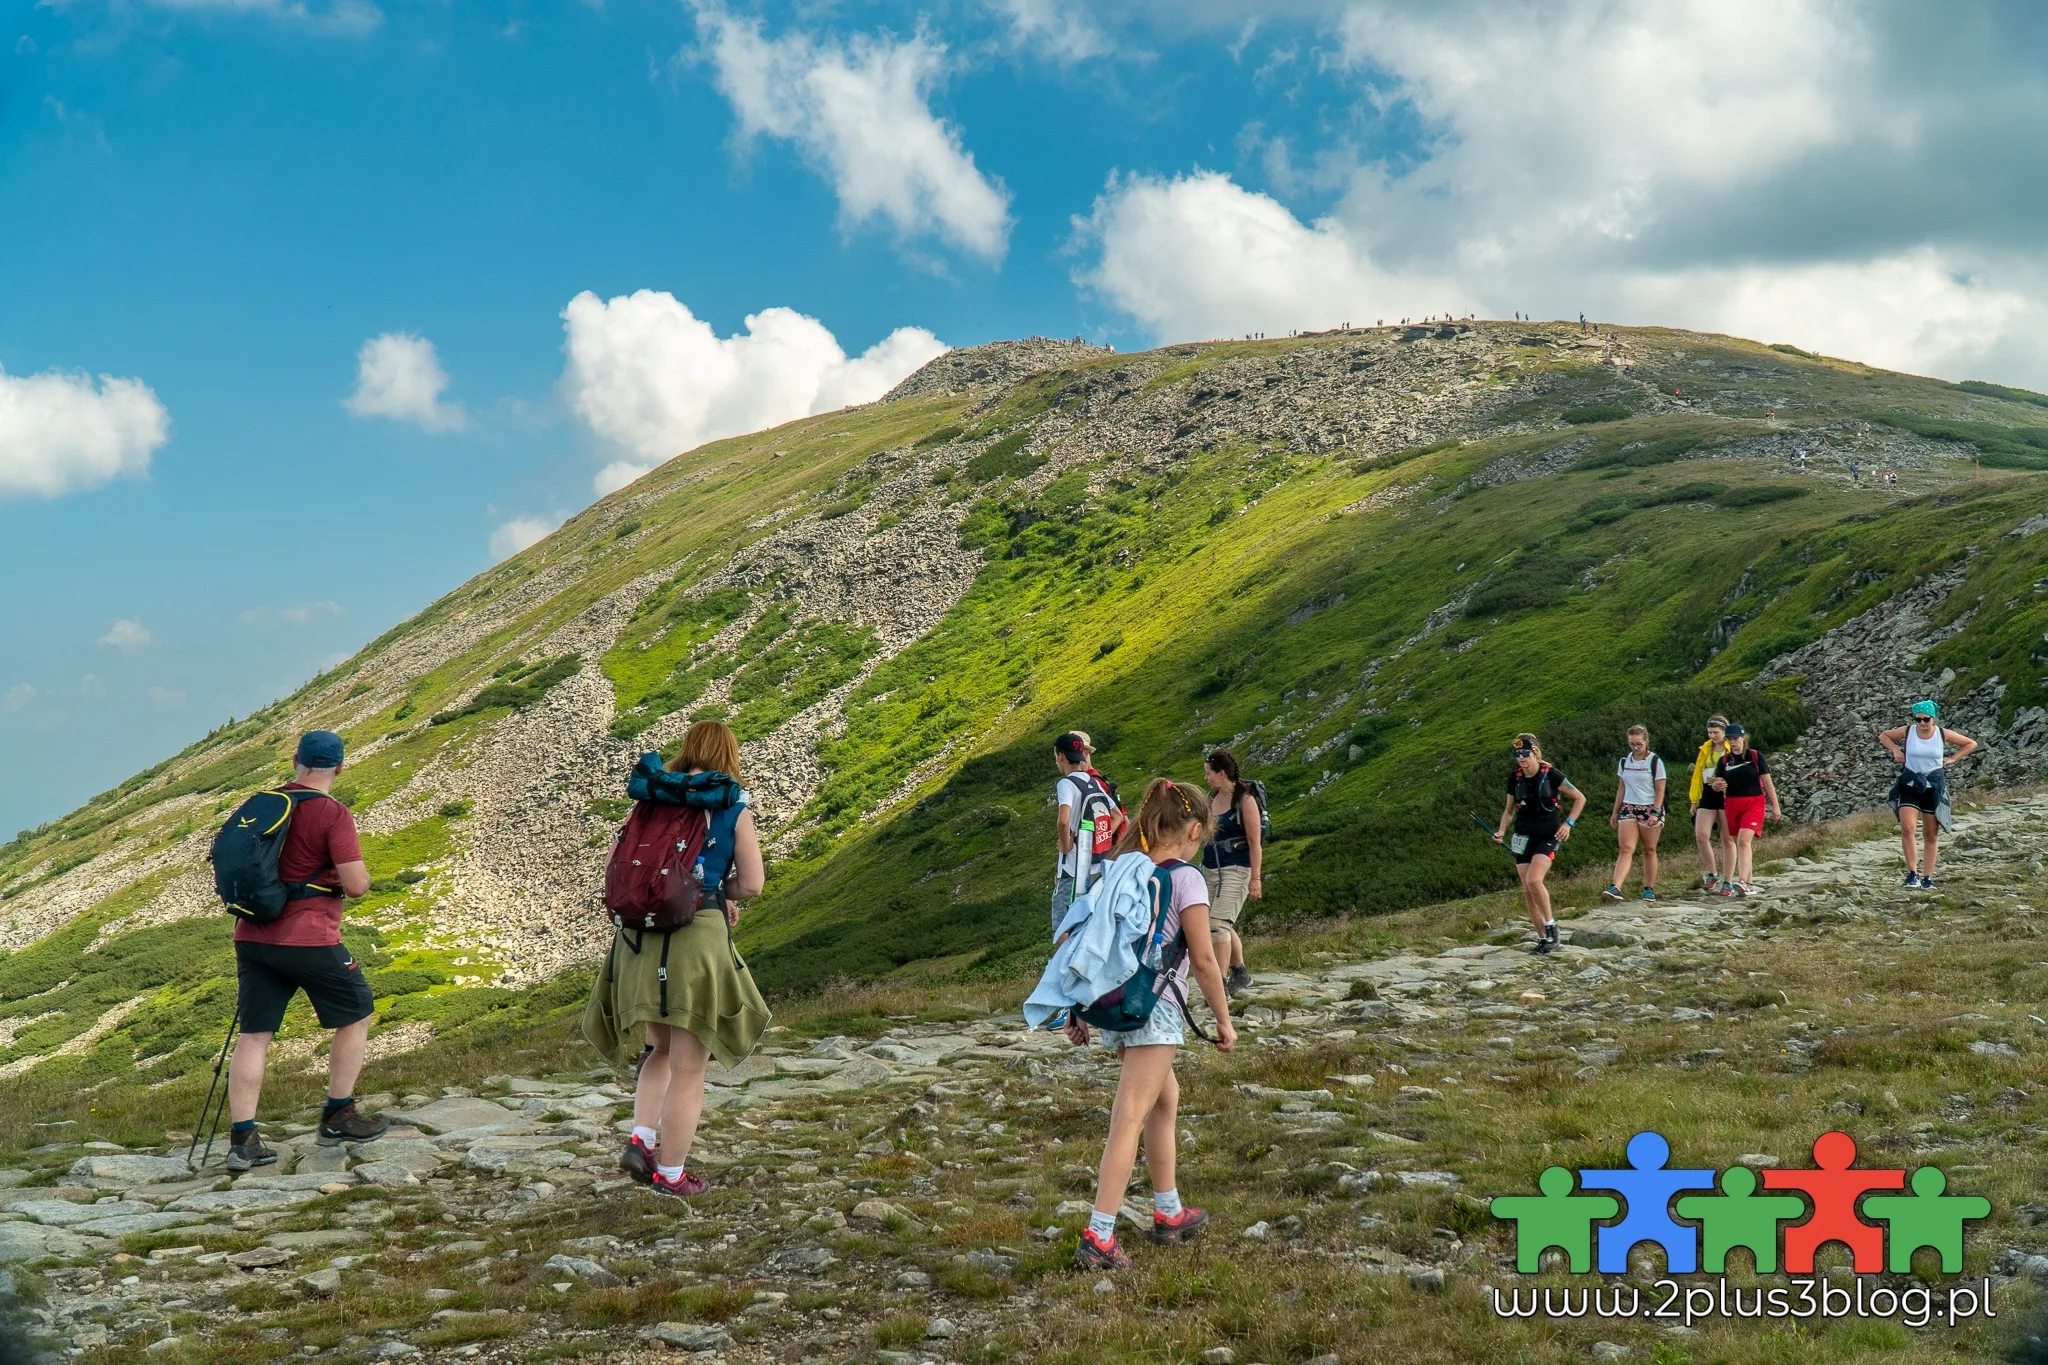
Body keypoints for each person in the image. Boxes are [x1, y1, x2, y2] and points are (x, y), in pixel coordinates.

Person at [583, 721, 768, 1199]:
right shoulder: (731, 803)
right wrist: (713, 892)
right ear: (729, 754)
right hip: (696, 938)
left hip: (639, 940)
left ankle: (642, 1142)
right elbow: (751, 883)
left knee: (658, 1049)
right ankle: (671, 1175)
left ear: (687, 751)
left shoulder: (649, 799)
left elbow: (616, 869)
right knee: (691, 1065)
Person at [1067, 779, 1237, 1270]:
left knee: (1166, 1098)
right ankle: (1099, 1235)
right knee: (1130, 1115)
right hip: (1155, 1007)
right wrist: (1223, 1021)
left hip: (1121, 1003)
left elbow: (1090, 943)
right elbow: (1204, 960)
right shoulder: (1187, 879)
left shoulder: (1122, 871)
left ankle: (1169, 1211)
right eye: (1201, 837)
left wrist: (1077, 1010)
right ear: (1191, 829)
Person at [224, 731, 387, 1171]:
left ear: (296, 761)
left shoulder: (264, 807)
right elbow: (356, 886)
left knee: (255, 1035)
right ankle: (338, 1115)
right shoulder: (332, 813)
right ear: (339, 767)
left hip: (252, 936)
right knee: (357, 1012)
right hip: (309, 937)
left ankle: (243, 1141)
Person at [1493, 734, 1586, 954]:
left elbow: (1580, 798)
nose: (1520, 758)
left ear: (1534, 752)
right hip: (1522, 837)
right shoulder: (1514, 778)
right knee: (1527, 890)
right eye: (1517, 754)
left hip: (1548, 835)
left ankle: (1552, 926)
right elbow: (1509, 811)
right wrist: (1502, 830)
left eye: (1524, 754)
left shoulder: (1551, 774)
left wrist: (1568, 824)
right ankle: (1544, 939)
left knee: (1535, 880)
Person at [1880, 702, 1978, 889]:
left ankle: (1927, 877)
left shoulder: (1942, 734)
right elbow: (1884, 736)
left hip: (1933, 785)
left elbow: (1970, 743)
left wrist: (1952, 759)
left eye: (1926, 719)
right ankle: (1912, 874)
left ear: (1933, 719)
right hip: (1910, 783)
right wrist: (1896, 750)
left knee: (1931, 834)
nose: (1923, 723)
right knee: (1907, 828)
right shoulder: (1908, 731)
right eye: (1918, 719)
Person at [1199, 749, 1261, 997]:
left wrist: (1255, 879)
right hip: (1210, 868)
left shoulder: (1245, 801)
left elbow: (1255, 842)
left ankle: (1219, 984)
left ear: (1221, 773)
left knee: (1217, 926)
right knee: (1215, 921)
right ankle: (1240, 973)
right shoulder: (1211, 798)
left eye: (1208, 773)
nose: (1206, 778)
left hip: (1237, 868)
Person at [1051, 731, 1117, 939]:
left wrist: (1065, 846)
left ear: (1061, 756)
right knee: (1087, 926)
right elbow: (1116, 816)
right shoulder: (1094, 782)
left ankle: (1063, 971)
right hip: (1095, 866)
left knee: (1063, 926)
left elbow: (1063, 820)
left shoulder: (1066, 784)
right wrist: (1100, 837)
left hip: (1072, 869)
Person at [1709, 724, 1780, 895]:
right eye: (1729, 739)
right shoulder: (1724, 761)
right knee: (1738, 842)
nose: (1733, 742)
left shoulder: (1755, 756)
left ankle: (1741, 881)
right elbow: (1717, 783)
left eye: (1735, 738)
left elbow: (1768, 783)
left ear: (1743, 738)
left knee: (1743, 840)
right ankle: (1749, 883)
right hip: (1732, 803)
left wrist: (1775, 806)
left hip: (1754, 802)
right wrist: (1716, 786)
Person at [1603, 726, 1667, 902]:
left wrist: (1655, 812)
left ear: (1646, 741)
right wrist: (1615, 811)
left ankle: (1648, 888)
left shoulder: (1655, 762)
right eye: (1632, 744)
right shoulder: (1625, 761)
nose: (1636, 747)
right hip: (1629, 806)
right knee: (1626, 848)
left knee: (1649, 849)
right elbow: (1622, 787)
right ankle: (1615, 887)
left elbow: (1660, 789)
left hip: (1649, 806)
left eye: (1639, 744)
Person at [1687, 715, 1734, 893]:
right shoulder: (1705, 749)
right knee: (1701, 835)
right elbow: (1697, 775)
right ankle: (1712, 873)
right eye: (1710, 732)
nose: (1713, 736)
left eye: (1716, 732)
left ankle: (1728, 881)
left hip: (1726, 794)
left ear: (1724, 732)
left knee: (1727, 838)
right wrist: (1694, 800)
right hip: (1707, 792)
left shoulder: (1732, 748)